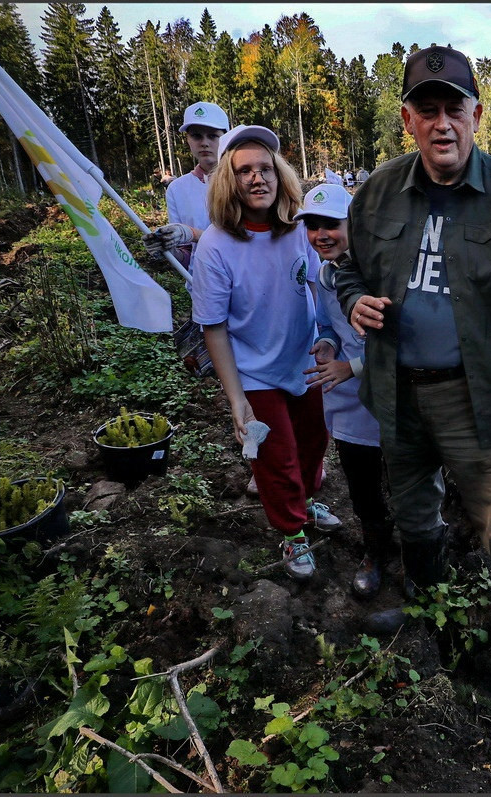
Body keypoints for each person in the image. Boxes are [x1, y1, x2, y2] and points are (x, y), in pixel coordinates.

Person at [335, 45, 491, 710]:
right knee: (416, 519)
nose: (442, 121)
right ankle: (432, 624)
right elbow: (349, 268)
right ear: (408, 120)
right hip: (397, 391)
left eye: (455, 107)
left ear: (477, 115)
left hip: (477, 397)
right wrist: (352, 300)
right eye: (428, 109)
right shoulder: (378, 192)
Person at [191, 124, 339, 581]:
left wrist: (330, 337)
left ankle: (307, 503)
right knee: (277, 458)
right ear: (227, 181)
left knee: (315, 440)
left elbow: (318, 284)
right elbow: (213, 328)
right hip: (254, 370)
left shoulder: (298, 230)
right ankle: (292, 531)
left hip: (303, 361)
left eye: (265, 168)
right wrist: (237, 398)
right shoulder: (216, 247)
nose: (258, 178)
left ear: (280, 176)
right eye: (244, 171)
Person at [296, 184, 397, 598]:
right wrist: (328, 345)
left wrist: (350, 366)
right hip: (348, 401)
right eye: (313, 226)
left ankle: (420, 552)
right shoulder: (323, 275)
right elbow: (326, 323)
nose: (322, 234)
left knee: (408, 479)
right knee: (361, 479)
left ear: (354, 224)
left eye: (332, 225)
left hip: (392, 396)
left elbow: (401, 345)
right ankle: (376, 551)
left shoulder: (382, 272)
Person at [143, 102, 230, 268]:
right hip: (201, 286)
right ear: (188, 140)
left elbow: (247, 243)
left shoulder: (243, 182)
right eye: (197, 136)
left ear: (226, 138)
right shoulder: (177, 189)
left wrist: (191, 234)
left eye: (213, 136)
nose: (204, 143)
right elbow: (187, 253)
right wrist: (168, 250)